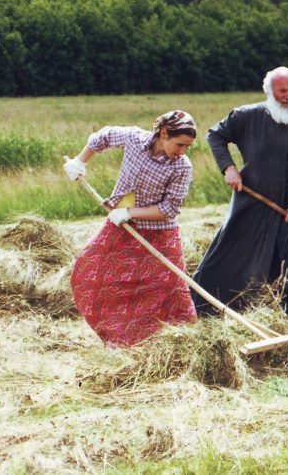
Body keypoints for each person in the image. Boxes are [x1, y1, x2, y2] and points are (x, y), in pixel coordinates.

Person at [190, 66, 288, 319]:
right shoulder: (247, 116)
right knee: (229, 253)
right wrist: (228, 167)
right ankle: (205, 309)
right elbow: (216, 135)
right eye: (283, 91)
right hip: (253, 203)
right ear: (269, 92)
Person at [63, 110, 198, 346]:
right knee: (92, 271)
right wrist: (79, 162)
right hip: (121, 227)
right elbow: (102, 137)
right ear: (163, 133)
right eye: (179, 144)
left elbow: (168, 208)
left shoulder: (182, 167)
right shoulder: (134, 138)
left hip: (160, 233)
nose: (182, 151)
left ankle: (179, 342)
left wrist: (129, 213)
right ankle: (119, 338)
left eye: (187, 146)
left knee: (170, 289)